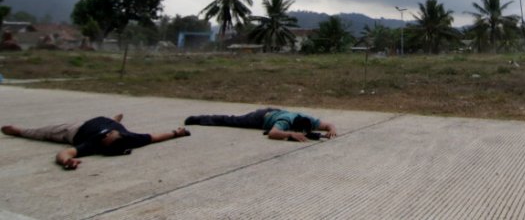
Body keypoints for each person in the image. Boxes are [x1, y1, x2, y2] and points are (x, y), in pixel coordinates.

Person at [1, 113, 190, 170]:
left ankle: (20, 131)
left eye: (108, 136)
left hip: (75, 129)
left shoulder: (93, 143)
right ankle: (115, 120)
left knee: (44, 132)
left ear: (105, 140)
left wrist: (66, 161)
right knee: (115, 122)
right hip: (106, 121)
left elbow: (65, 152)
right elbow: (155, 137)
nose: (110, 135)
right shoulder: (131, 139)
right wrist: (176, 133)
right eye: (114, 133)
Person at [185, 107, 337, 142]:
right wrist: (290, 134)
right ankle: (197, 119)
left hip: (275, 112)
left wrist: (332, 130)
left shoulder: (309, 119)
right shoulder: (285, 122)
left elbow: (329, 125)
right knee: (231, 120)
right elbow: (273, 133)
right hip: (259, 118)